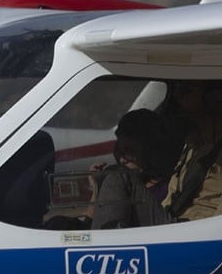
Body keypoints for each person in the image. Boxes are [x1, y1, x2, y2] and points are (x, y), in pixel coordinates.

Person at [88, 108, 183, 229]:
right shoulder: (127, 182)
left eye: (130, 152)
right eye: (119, 152)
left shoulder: (168, 186)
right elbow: (90, 223)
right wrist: (97, 188)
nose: (122, 160)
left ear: (150, 148)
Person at [161, 81, 222, 221]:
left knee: (121, 180)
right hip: (171, 220)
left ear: (212, 98)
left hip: (198, 227)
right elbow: (171, 195)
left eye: (185, 91)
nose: (176, 97)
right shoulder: (191, 146)